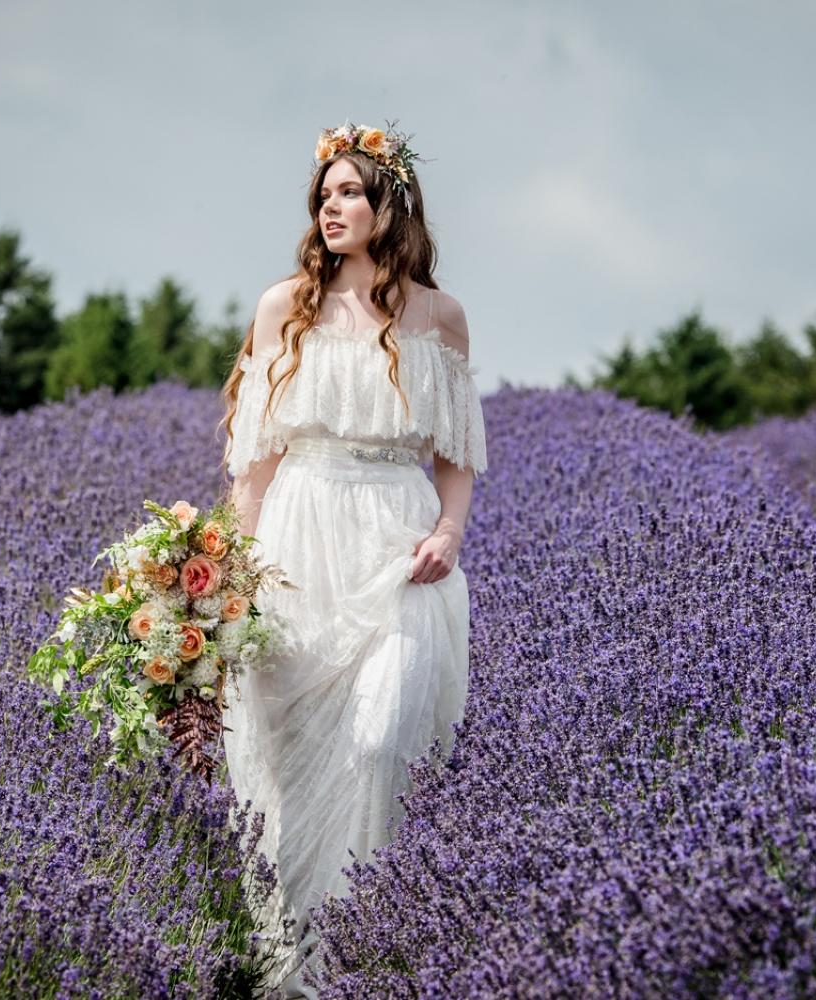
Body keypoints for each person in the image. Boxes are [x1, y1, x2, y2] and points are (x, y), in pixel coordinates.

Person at [217, 119, 488, 999]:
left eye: (348, 192)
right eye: (323, 194)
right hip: (298, 541)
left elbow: (454, 458)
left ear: (388, 205)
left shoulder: (439, 318)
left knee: (379, 740)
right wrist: (231, 580)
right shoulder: (281, 306)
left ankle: (366, 955)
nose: (331, 206)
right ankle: (295, 967)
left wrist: (448, 532)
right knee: (291, 763)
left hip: (397, 543)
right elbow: (253, 469)